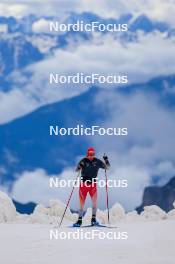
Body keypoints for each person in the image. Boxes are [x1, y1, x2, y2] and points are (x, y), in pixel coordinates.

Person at [73, 147, 110, 227]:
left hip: (93, 185)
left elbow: (108, 168)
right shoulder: (83, 161)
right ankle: (79, 221)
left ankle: (93, 219)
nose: (91, 156)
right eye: (89, 154)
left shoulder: (97, 161)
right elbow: (76, 170)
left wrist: (106, 160)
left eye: (92, 154)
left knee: (94, 203)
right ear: (87, 154)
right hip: (83, 185)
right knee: (81, 203)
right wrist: (80, 166)